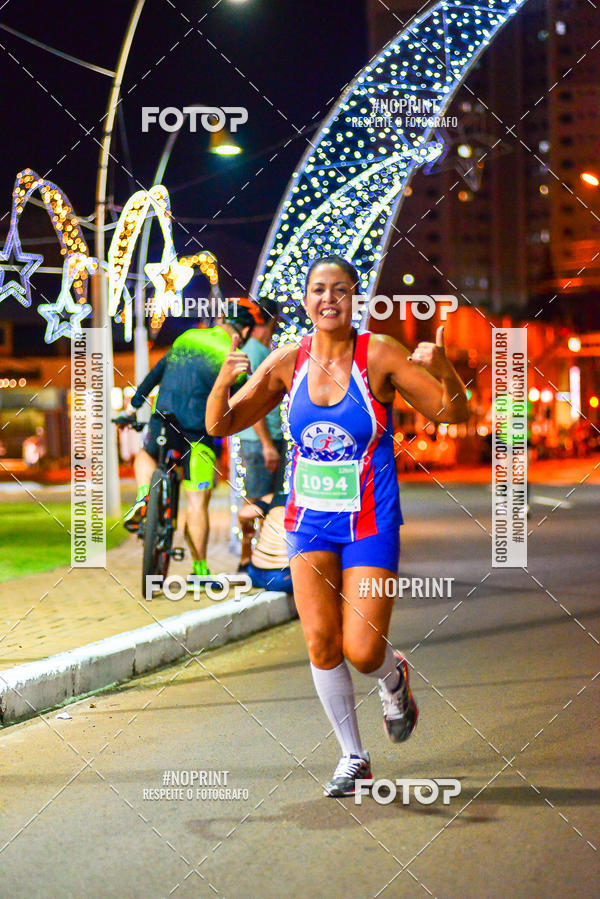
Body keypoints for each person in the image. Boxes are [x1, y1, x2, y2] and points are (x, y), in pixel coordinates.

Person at [206, 255, 469, 797]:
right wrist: (222, 379)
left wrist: (442, 366)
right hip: (308, 525)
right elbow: (220, 423)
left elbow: (452, 415)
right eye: (318, 290)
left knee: (364, 649)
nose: (329, 299)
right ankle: (353, 757)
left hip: (371, 522)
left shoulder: (379, 355)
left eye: (340, 291)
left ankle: (392, 679)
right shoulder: (286, 363)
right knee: (321, 642)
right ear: (306, 300)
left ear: (355, 299)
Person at [121, 298, 264, 585]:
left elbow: (157, 371)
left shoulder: (188, 337)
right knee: (197, 502)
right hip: (200, 434)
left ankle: (143, 499)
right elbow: (234, 403)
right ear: (244, 333)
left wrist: (134, 404)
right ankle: (199, 570)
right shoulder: (234, 359)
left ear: (221, 319)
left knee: (146, 456)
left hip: (164, 418)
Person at [236, 298, 287, 570]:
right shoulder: (255, 352)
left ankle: (261, 556)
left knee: (265, 502)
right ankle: (248, 559)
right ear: (272, 320)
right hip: (260, 442)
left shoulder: (260, 350)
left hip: (267, 439)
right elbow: (251, 405)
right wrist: (268, 444)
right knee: (256, 502)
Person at [238, 491, 293, 593]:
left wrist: (247, 532)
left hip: (255, 573)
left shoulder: (275, 498)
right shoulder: (309, 505)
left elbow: (244, 513)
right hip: (282, 577)